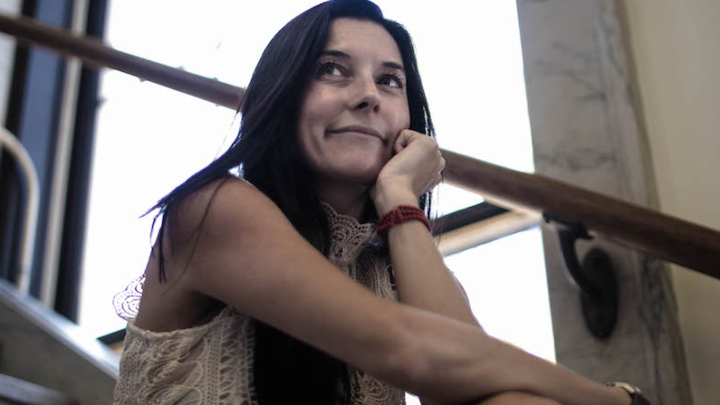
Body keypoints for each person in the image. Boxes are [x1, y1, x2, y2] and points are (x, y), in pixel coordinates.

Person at [112, 1, 648, 404]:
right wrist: (613, 400)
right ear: (283, 96)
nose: (368, 94)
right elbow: (411, 352)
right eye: (332, 70)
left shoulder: (385, 262)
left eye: (390, 81)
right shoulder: (216, 209)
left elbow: (459, 391)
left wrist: (397, 199)